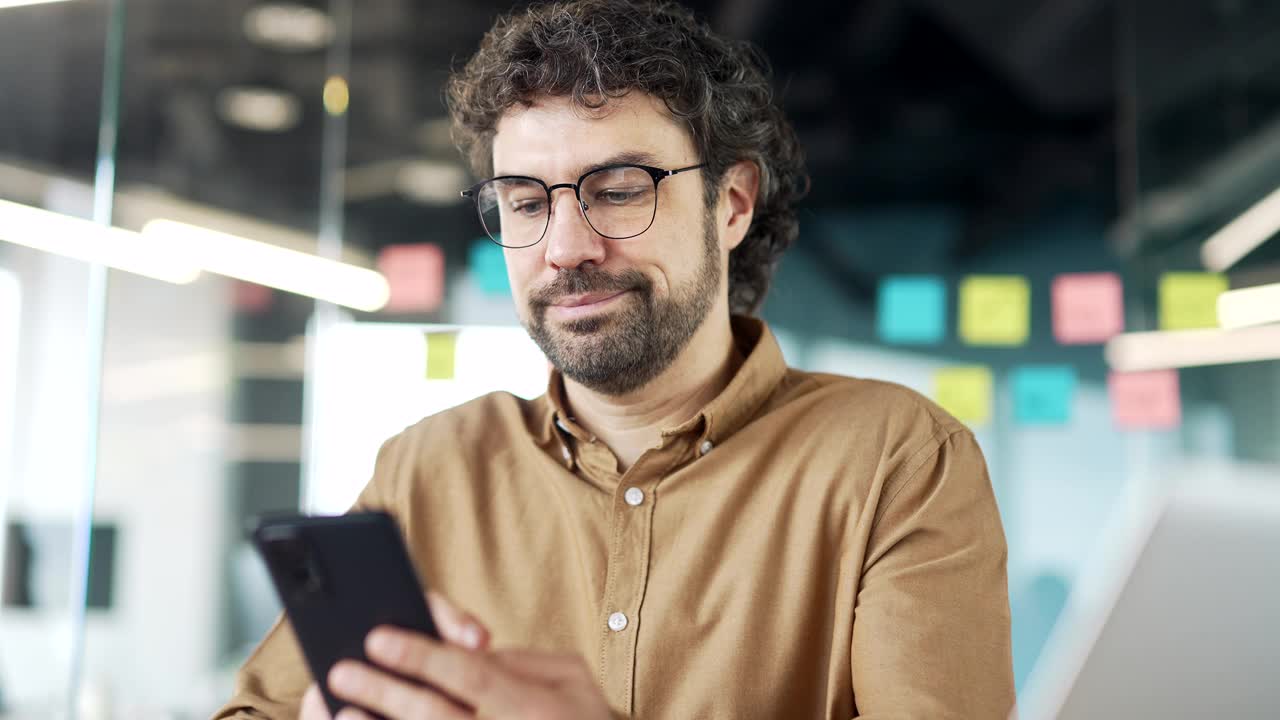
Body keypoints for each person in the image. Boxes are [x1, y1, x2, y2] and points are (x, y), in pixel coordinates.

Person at [213, 1, 1014, 718]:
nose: (566, 248)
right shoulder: (428, 469)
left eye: (620, 189)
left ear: (730, 204)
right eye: (527, 203)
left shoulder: (896, 460)